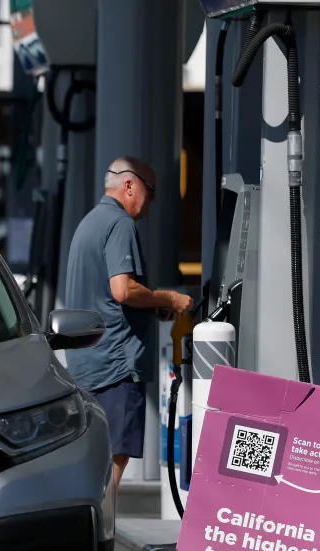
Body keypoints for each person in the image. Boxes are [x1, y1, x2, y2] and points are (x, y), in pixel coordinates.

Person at [63, 156, 193, 490]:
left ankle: (87, 536)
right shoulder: (121, 224)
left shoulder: (90, 223)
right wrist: (168, 299)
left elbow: (103, 296)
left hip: (87, 361)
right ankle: (99, 538)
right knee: (110, 469)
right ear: (130, 185)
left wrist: (149, 306)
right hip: (116, 365)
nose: (152, 200)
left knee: (89, 465)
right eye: (151, 191)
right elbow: (122, 291)